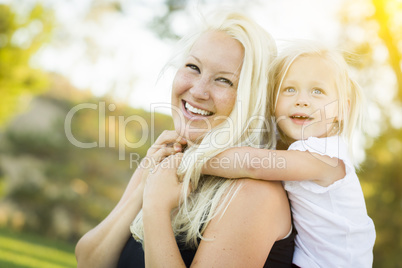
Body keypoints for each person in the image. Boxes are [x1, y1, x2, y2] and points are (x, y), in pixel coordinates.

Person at [75, 12, 295, 268]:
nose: (198, 91)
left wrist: (156, 208)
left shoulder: (255, 193)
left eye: (224, 80)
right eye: (193, 67)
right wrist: (143, 190)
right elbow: (88, 261)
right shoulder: (167, 161)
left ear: (253, 97)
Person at [203, 42, 376, 267]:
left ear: (342, 109)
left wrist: (195, 160)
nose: (301, 100)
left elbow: (254, 164)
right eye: (289, 89)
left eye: (317, 91)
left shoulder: (325, 156)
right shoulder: (296, 149)